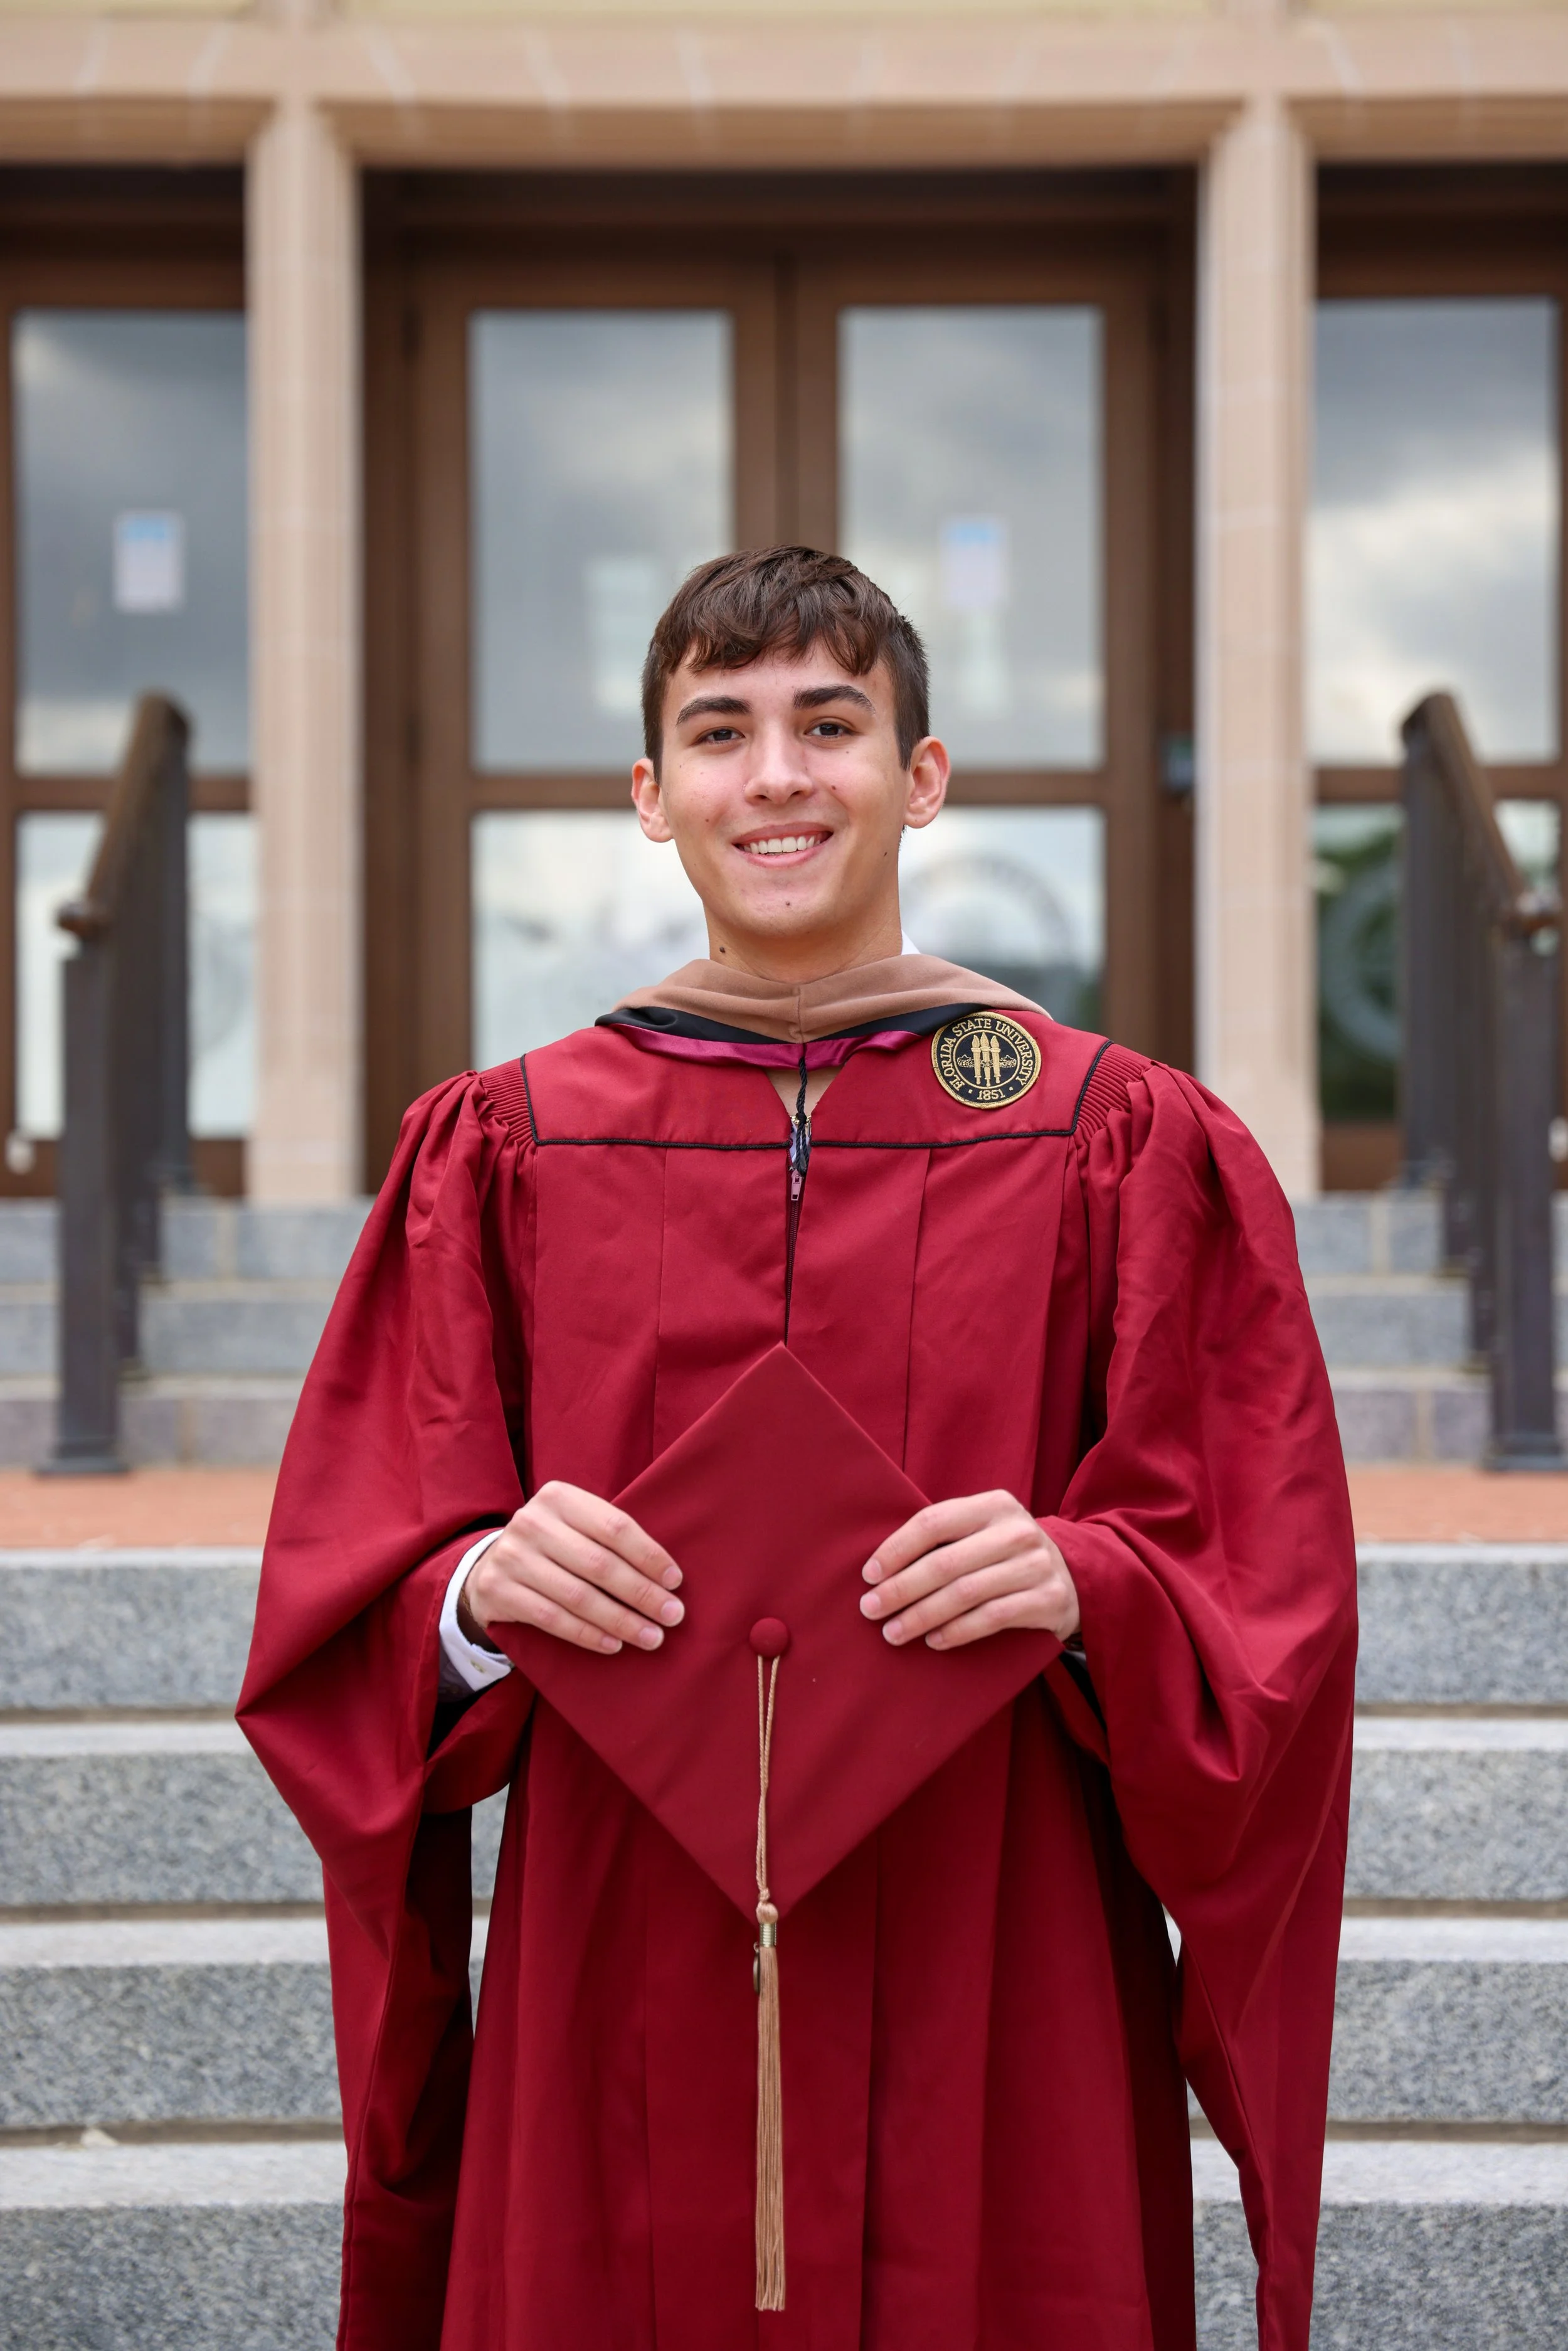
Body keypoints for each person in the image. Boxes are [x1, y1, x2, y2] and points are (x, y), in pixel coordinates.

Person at [240, 546, 1356, 2351]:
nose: (776, 775)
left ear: (921, 775)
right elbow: (345, 1598)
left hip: (996, 1928)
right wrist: (471, 1597)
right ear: (651, 794)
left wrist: (1089, 1581)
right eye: (720, 732)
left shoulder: (1112, 1136)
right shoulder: (508, 1148)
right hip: (617, 1938)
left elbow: (1264, 1581)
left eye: (831, 725)